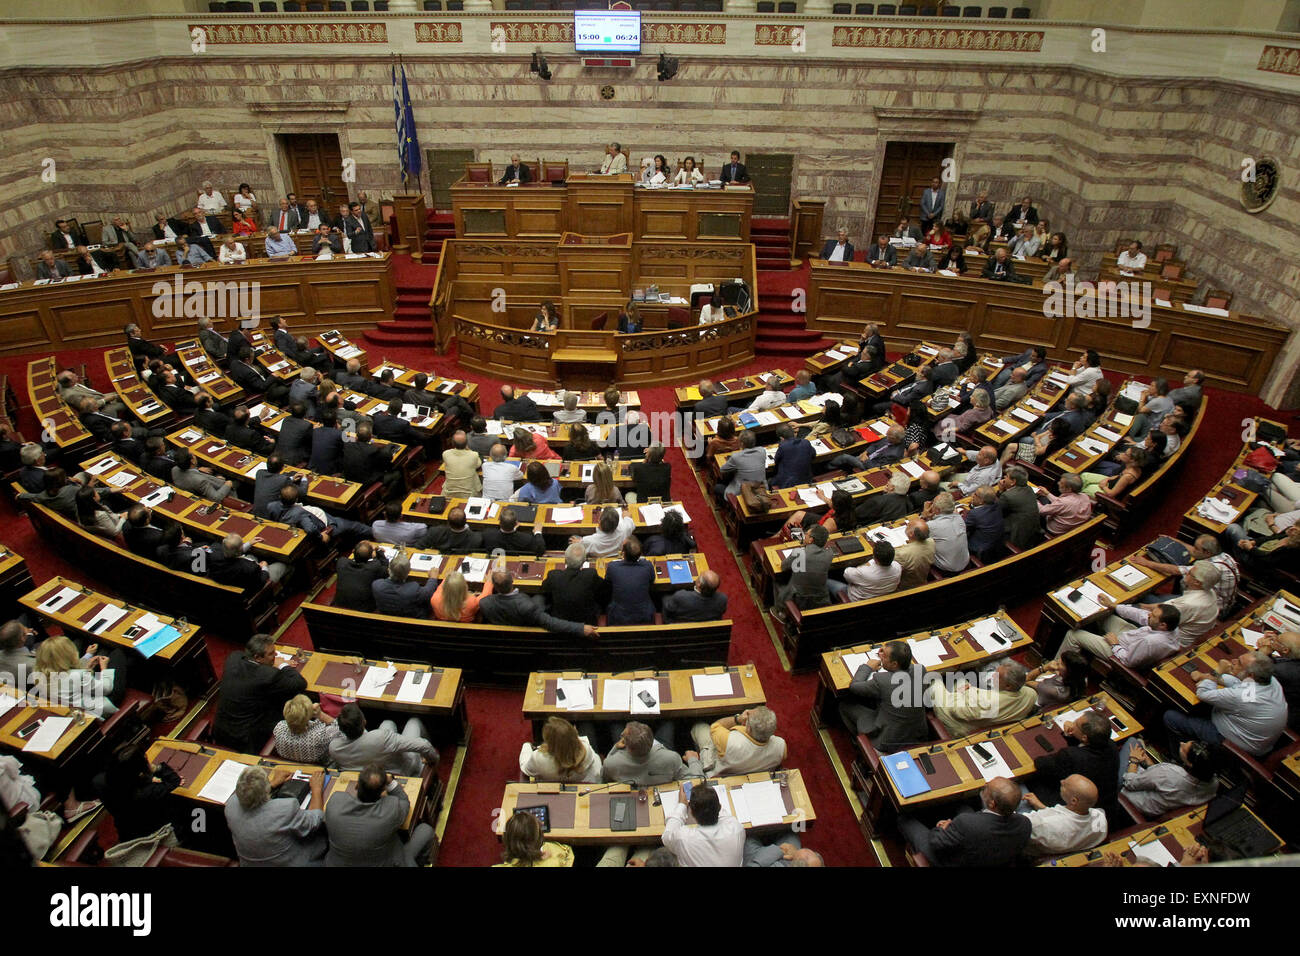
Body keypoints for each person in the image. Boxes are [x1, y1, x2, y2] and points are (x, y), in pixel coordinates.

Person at [1164, 651, 1288, 756]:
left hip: (1232, 745)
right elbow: (1238, 683)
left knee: (1171, 716)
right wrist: (1209, 677)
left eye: (1239, 663)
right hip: (1252, 737)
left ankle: (1183, 759)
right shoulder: (1270, 680)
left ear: (1250, 674)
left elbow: (1203, 693)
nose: (1233, 661)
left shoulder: (1242, 696)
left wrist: (1217, 671)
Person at [897, 778, 1031, 867]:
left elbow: (936, 842)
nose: (984, 786)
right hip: (986, 856)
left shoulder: (967, 823)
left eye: (986, 788)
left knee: (904, 819)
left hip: (949, 860)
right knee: (962, 806)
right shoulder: (1025, 824)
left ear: (992, 803)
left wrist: (942, 827)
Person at [324, 763, 434, 868]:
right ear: (383, 790)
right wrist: (391, 782)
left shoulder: (335, 802)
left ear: (357, 785)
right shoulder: (391, 809)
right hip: (386, 862)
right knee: (425, 830)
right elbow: (404, 802)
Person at [213, 634, 308, 752]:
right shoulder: (268, 675)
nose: (276, 655)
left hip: (220, 730)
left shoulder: (234, 658)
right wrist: (282, 664)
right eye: (271, 654)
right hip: (245, 738)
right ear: (257, 657)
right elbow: (300, 684)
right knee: (288, 702)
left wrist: (268, 662)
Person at [225, 766, 327, 867]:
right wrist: (317, 789)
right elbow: (315, 820)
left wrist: (274, 782)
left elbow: (248, 796)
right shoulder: (284, 809)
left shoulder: (231, 805)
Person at [837, 640, 927, 749]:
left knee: (845, 705)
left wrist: (868, 667)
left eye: (884, 656)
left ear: (894, 664)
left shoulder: (882, 680)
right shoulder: (920, 670)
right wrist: (888, 652)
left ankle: (861, 742)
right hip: (916, 733)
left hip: (888, 739)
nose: (880, 657)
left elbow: (854, 687)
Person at [1029, 710, 1120, 813]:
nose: (1072, 723)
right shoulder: (1111, 745)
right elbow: (1084, 748)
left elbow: (1040, 764)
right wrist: (1071, 735)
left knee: (1030, 779)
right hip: (1104, 805)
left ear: (1085, 737)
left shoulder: (1071, 755)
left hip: (1076, 808)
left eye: (1075, 723)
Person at [931, 659, 1036, 736]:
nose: (993, 676)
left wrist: (959, 693)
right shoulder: (1031, 694)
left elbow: (955, 710)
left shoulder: (986, 701)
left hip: (958, 722)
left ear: (1008, 686)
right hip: (981, 713)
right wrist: (969, 692)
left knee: (935, 681)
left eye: (997, 676)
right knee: (959, 678)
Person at [101, 744, 182, 843]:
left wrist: (147, 778)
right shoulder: (149, 792)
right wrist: (156, 768)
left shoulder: (103, 783)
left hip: (128, 833)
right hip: (153, 835)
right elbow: (175, 781)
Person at [330, 703, 439, 775]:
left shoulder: (334, 748)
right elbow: (424, 746)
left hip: (370, 773)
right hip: (403, 772)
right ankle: (423, 764)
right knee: (414, 722)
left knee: (387, 723)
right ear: (364, 721)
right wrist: (432, 760)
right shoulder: (381, 738)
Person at [480, 570, 598, 637]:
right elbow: (550, 622)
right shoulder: (527, 606)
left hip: (505, 629)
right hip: (527, 624)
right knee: (541, 596)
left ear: (494, 586)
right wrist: (579, 628)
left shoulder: (484, 603)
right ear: (512, 582)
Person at [1120, 739, 1220, 816]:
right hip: (1160, 806)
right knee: (1139, 745)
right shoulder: (1214, 783)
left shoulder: (1168, 772)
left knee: (1133, 741)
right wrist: (1152, 766)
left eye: (1184, 748)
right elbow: (1163, 781)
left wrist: (1134, 760)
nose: (1181, 743)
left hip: (1130, 797)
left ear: (1190, 763)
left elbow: (1130, 783)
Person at [33, 635, 125, 719]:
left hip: (80, 709)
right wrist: (104, 668)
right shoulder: (77, 675)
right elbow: (106, 689)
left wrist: (87, 670)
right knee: (118, 652)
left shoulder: (39, 677)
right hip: (101, 707)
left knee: (104, 653)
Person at [1021, 774, 1107, 857]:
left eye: (1065, 785)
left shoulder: (1043, 824)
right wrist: (1041, 807)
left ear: (1073, 801)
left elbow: (1015, 823)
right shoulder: (1100, 817)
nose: (1061, 781)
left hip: (1029, 847)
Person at [661, 784, 745, 867]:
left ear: (692, 813)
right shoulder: (736, 829)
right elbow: (725, 816)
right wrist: (708, 799)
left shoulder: (683, 838)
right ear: (719, 807)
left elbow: (667, 835)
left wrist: (682, 805)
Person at [690, 706, 786, 777]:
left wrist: (738, 718)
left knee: (699, 727)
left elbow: (716, 726)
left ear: (748, 728)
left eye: (749, 714)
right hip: (753, 774)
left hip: (719, 774)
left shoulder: (728, 741)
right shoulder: (782, 747)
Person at [520, 716, 602, 783]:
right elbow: (597, 766)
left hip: (550, 791)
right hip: (583, 786)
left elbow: (525, 768)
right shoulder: (586, 750)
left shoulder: (539, 758)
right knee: (586, 725)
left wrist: (526, 745)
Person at [273, 694, 341, 764]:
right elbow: (341, 729)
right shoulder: (320, 735)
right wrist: (320, 714)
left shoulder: (279, 727)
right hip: (317, 765)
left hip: (287, 762)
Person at [495, 808, 574, 867]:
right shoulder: (555, 862)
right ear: (539, 839)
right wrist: (540, 856)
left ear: (506, 839)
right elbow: (568, 853)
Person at [605, 537, 655, 625]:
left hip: (618, 617)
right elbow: (652, 579)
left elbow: (607, 580)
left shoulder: (613, 567)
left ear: (623, 553)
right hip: (644, 614)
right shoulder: (647, 566)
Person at [831, 538, 901, 602]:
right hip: (881, 597)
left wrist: (865, 565)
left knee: (827, 581)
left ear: (874, 557)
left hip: (856, 599)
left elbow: (846, 574)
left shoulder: (865, 572)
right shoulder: (898, 567)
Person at [372, 554, 438, 619]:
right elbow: (429, 592)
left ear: (388, 570)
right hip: (413, 621)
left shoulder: (376, 585)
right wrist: (433, 578)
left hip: (386, 620)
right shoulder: (413, 590)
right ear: (408, 572)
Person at [334, 542, 389, 613]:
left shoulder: (341, 562)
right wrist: (379, 551)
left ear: (353, 551)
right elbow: (385, 570)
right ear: (371, 556)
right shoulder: (374, 567)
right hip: (364, 609)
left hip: (340, 604)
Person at [923, 492, 970, 573]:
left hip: (945, 569)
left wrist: (924, 517)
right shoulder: (959, 518)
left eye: (933, 504)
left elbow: (919, 533)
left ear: (937, 510)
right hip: (965, 563)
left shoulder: (931, 525)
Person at [419, 505, 484, 554]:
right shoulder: (476, 538)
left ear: (448, 522)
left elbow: (419, 546)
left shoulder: (435, 531)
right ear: (465, 521)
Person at [440, 430, 482, 497]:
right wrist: (469, 449)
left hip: (450, 491)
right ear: (466, 443)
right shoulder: (474, 455)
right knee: (474, 474)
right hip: (469, 493)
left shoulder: (445, 454)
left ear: (452, 443)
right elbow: (478, 464)